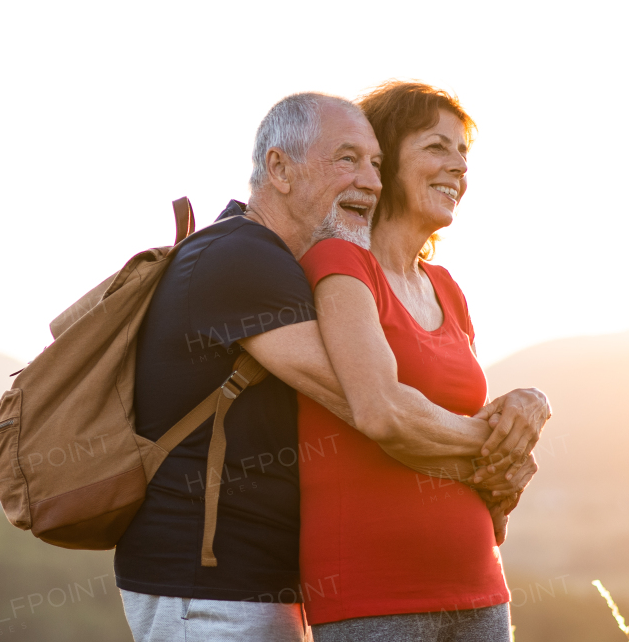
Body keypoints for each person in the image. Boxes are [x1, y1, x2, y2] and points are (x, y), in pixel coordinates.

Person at [114, 91, 548, 642]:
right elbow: (372, 407)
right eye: (347, 160)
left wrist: (519, 421)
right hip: (207, 582)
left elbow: (396, 408)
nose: (369, 179)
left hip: (259, 579)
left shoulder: (276, 264)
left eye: (374, 163)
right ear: (279, 168)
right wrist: (495, 454)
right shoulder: (239, 259)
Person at [298, 81, 542, 642]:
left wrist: (526, 413)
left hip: (479, 584)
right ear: (384, 159)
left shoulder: (447, 289)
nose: (458, 166)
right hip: (373, 593)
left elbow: (466, 436)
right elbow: (383, 414)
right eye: (437, 147)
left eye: (464, 153)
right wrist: (495, 442)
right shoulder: (340, 264)